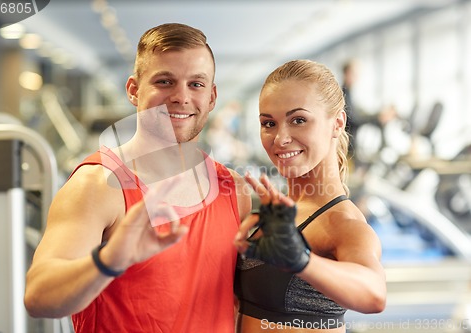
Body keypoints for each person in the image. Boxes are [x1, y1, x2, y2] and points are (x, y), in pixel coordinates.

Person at [24, 23, 252, 333]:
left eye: (196, 84)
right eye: (165, 81)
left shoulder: (233, 189)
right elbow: (39, 297)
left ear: (212, 96)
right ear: (134, 90)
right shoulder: (98, 185)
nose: (181, 97)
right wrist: (109, 261)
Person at [234, 59, 386, 332]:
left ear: (337, 123)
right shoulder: (280, 210)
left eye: (299, 120)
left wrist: (302, 260)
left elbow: (374, 293)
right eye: (269, 123)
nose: (280, 138)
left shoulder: (341, 221)